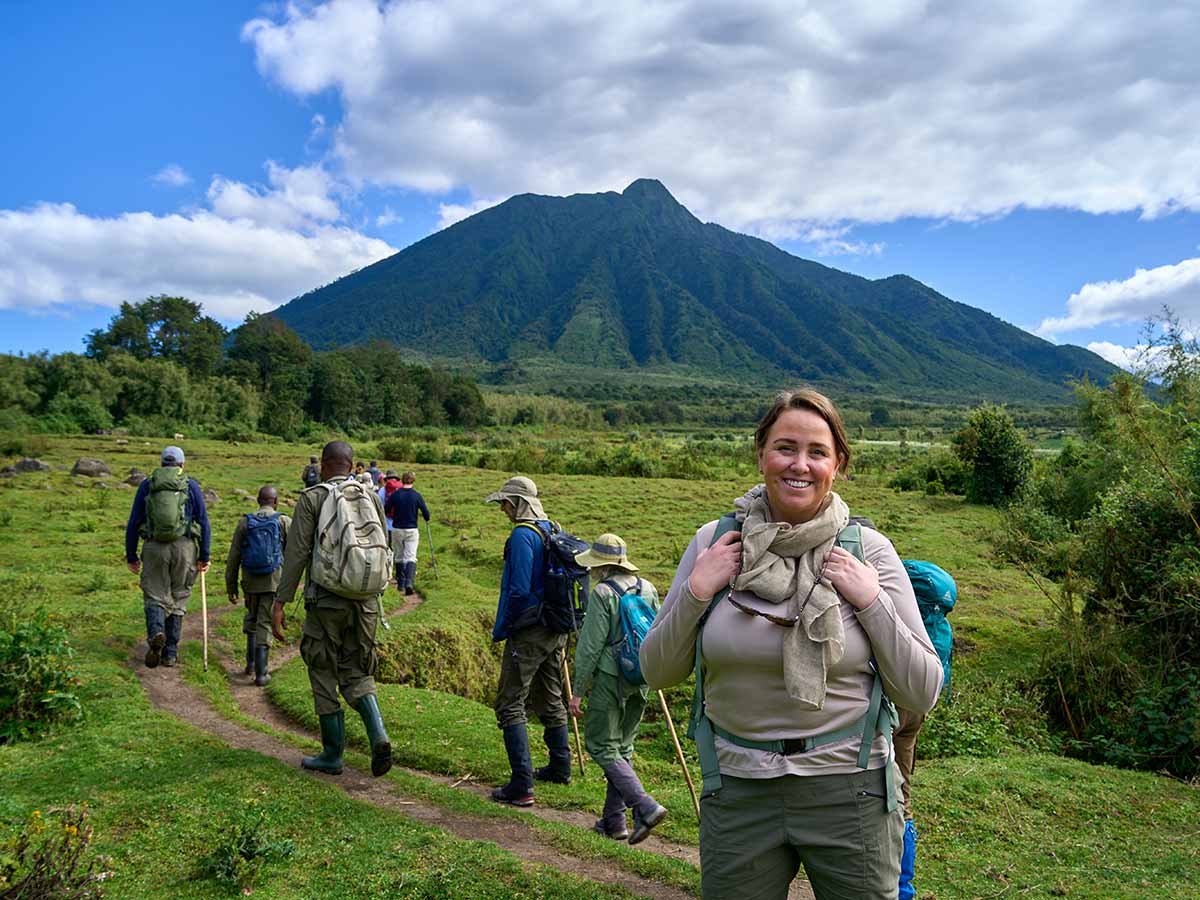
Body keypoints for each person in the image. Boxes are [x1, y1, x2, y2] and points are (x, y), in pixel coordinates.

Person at [640, 389, 943, 900]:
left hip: (851, 790)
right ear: (761, 454)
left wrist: (871, 600)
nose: (799, 464)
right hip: (738, 789)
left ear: (838, 464)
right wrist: (698, 589)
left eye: (817, 452)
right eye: (785, 447)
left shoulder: (868, 551)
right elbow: (657, 672)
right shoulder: (714, 543)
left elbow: (922, 691)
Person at [272, 440, 393, 778]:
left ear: (323, 465)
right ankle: (378, 735)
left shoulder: (312, 498)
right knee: (357, 670)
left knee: (323, 668)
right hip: (366, 602)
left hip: (326, 601)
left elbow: (296, 554)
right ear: (353, 466)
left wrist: (280, 602)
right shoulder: (370, 496)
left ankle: (332, 754)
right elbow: (384, 544)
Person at [569, 533, 666, 844]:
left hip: (611, 677)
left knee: (601, 745)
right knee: (622, 748)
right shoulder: (648, 588)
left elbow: (590, 646)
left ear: (601, 565)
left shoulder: (603, 594)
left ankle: (645, 805)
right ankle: (614, 822)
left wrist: (578, 690)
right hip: (642, 676)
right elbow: (659, 632)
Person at [484, 476, 571, 806]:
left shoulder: (523, 534)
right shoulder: (551, 526)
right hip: (554, 627)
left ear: (517, 502)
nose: (503, 509)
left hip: (530, 629)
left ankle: (521, 785)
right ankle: (560, 768)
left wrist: (507, 627)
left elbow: (519, 589)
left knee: (510, 702)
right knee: (549, 695)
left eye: (505, 502)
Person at [125, 445, 211, 669]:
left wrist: (131, 555)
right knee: (179, 594)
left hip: (154, 547)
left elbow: (134, 521)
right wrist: (205, 555)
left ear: (162, 463)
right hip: (184, 547)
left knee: (155, 593)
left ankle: (156, 633)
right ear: (182, 464)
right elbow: (203, 521)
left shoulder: (148, 484)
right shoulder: (190, 485)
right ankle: (170, 653)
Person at [225, 486, 291, 686]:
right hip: (273, 581)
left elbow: (234, 556)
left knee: (252, 617)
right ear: (275, 501)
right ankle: (262, 674)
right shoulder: (283, 521)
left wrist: (231, 586)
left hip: (250, 580)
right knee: (264, 621)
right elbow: (295, 553)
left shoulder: (245, 522)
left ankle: (251, 664)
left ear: (258, 500)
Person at [384, 471, 430, 596]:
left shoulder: (395, 495)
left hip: (397, 529)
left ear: (402, 481)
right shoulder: (417, 496)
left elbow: (386, 509)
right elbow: (426, 513)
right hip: (411, 529)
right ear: (413, 481)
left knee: (398, 555)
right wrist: (426, 518)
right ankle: (409, 583)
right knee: (410, 556)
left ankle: (400, 584)